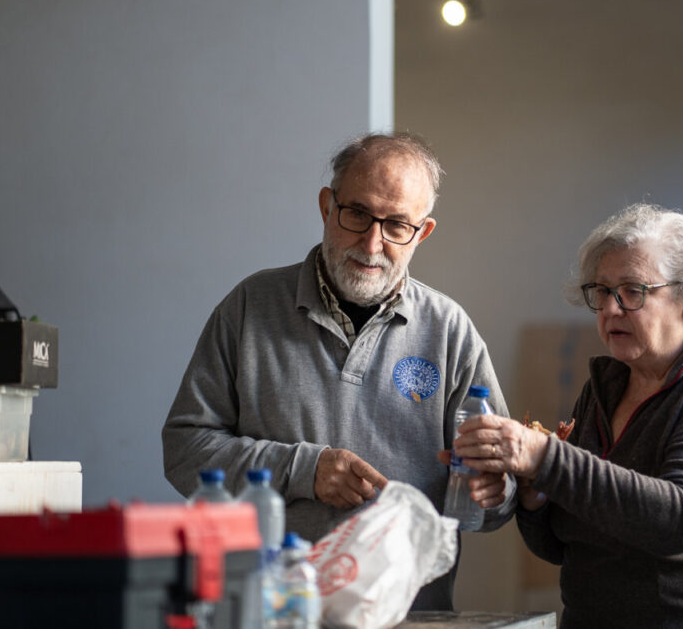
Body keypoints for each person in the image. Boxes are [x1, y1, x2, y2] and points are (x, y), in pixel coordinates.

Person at [161, 132, 515, 610]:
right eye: (358, 215)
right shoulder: (250, 307)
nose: (372, 243)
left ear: (423, 232)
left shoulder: (450, 331)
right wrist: (303, 470)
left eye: (396, 226)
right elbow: (185, 449)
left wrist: (493, 490)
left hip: (407, 616)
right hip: (265, 613)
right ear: (328, 206)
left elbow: (499, 498)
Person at [451, 203, 683, 627]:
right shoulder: (605, 387)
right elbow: (560, 545)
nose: (610, 309)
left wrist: (544, 458)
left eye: (632, 291)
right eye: (601, 291)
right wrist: (533, 492)